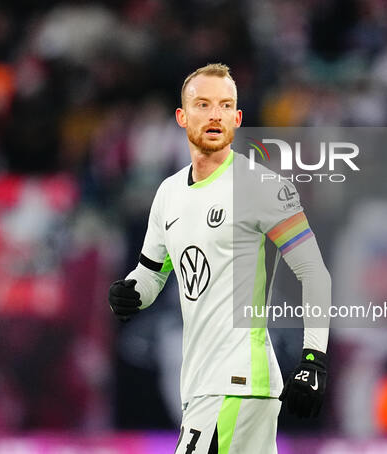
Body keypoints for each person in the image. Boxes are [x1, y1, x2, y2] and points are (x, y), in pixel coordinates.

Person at [108, 63, 331, 453]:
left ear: (237, 118)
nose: (214, 115)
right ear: (182, 116)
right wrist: (130, 294)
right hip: (199, 384)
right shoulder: (169, 194)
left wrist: (313, 359)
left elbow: (314, 273)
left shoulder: (262, 187)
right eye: (203, 104)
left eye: (225, 106)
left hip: (237, 384)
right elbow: (151, 275)